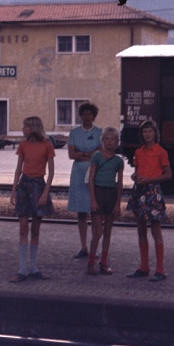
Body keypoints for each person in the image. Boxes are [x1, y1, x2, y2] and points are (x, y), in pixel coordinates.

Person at [9, 116, 55, 283]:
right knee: (23, 228)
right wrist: (14, 190)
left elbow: (51, 173)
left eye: (25, 126)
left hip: (38, 186)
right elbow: (18, 169)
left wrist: (44, 194)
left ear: (33, 127)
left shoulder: (47, 146)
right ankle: (22, 269)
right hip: (24, 186)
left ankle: (34, 267)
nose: (23, 129)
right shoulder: (23, 146)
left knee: (35, 229)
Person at [126, 120, 172, 282]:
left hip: (153, 191)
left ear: (155, 133)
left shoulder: (161, 152)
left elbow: (168, 174)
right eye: (144, 132)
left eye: (150, 131)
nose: (147, 134)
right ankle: (144, 267)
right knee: (140, 229)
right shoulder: (138, 152)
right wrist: (135, 176)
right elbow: (137, 170)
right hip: (139, 191)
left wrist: (150, 180)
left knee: (155, 229)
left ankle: (160, 269)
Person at [85, 127, 125, 275]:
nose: (110, 142)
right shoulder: (97, 156)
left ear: (117, 142)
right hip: (99, 193)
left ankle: (104, 262)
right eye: (107, 139)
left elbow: (119, 183)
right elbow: (91, 179)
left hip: (111, 194)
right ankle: (90, 262)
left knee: (108, 231)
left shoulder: (118, 161)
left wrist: (118, 204)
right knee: (98, 232)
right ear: (103, 140)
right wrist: (93, 200)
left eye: (113, 139)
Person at [67, 102, 103, 259]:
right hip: (78, 173)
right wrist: (88, 154)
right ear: (80, 116)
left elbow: (100, 153)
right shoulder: (74, 133)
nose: (87, 117)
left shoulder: (100, 132)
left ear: (94, 116)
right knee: (81, 212)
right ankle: (83, 247)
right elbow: (71, 154)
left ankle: (94, 246)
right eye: (84, 114)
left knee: (95, 210)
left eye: (90, 114)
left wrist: (82, 153)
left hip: (95, 173)